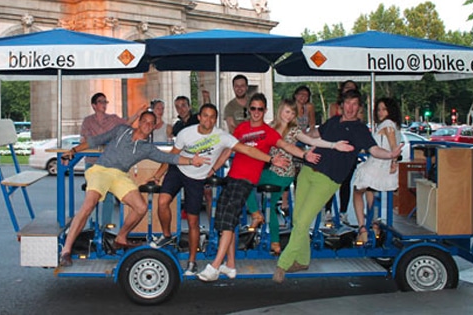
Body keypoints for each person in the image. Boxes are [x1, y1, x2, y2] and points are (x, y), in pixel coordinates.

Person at [273, 89, 402, 283]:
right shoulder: (333, 121)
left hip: (328, 179)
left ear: (359, 108)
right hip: (308, 171)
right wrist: (300, 133)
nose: (350, 108)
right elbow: (316, 132)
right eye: (347, 104)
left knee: (303, 220)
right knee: (299, 219)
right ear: (341, 105)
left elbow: (374, 149)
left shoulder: (359, 130)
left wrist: (391, 155)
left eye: (354, 104)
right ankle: (302, 259)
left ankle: (283, 263)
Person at [149, 103, 288, 276]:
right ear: (199, 117)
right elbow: (172, 155)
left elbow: (245, 149)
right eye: (205, 115)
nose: (208, 119)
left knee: (193, 221)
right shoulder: (186, 133)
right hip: (179, 169)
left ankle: (192, 262)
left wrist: (270, 159)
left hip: (197, 177)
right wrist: (157, 174)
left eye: (212, 116)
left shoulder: (222, 136)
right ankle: (167, 235)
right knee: (162, 201)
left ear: (216, 119)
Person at [59, 111, 210, 267]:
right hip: (101, 171)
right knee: (88, 205)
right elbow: (95, 140)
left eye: (151, 123)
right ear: (139, 122)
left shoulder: (147, 148)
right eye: (145, 121)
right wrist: (73, 151)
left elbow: (170, 158)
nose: (147, 125)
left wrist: (192, 161)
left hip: (120, 175)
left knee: (141, 207)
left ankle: (121, 238)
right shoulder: (121, 130)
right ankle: (66, 251)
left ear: (153, 127)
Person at [197, 93, 321, 282]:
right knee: (224, 223)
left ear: (265, 111)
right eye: (253, 108)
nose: (256, 112)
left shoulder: (269, 132)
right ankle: (230, 265)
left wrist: (305, 156)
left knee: (229, 220)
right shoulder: (241, 128)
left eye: (259, 109)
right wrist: (213, 168)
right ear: (249, 110)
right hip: (232, 176)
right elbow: (229, 149)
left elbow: (287, 146)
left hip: (247, 179)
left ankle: (214, 266)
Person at [245, 99, 354, 255]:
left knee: (245, 179)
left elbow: (311, 140)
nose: (289, 116)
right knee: (269, 206)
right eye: (287, 111)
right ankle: (275, 243)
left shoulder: (294, 130)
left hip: (283, 172)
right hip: (273, 169)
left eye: (292, 113)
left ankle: (255, 214)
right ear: (280, 110)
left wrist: (333, 145)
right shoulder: (269, 127)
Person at [80, 92, 147, 227]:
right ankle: (92, 226)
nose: (104, 104)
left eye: (105, 102)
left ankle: (106, 226)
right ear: (94, 105)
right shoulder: (87, 121)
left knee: (108, 197)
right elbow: (85, 140)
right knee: (92, 196)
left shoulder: (113, 119)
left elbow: (126, 123)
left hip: (110, 163)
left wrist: (138, 114)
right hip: (92, 163)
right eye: (101, 102)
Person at [352, 97, 402, 243]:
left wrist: (394, 161)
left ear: (390, 110)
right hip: (383, 167)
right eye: (379, 109)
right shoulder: (394, 125)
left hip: (377, 165)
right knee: (369, 192)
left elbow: (393, 147)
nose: (380, 112)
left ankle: (363, 228)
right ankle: (373, 224)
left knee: (356, 192)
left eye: (384, 109)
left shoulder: (387, 124)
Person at [324, 80, 361, 224]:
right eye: (347, 88)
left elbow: (359, 123)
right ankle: (328, 210)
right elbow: (332, 124)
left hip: (350, 150)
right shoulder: (335, 107)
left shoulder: (358, 109)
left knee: (345, 183)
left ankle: (343, 212)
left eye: (352, 88)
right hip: (334, 149)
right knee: (330, 181)